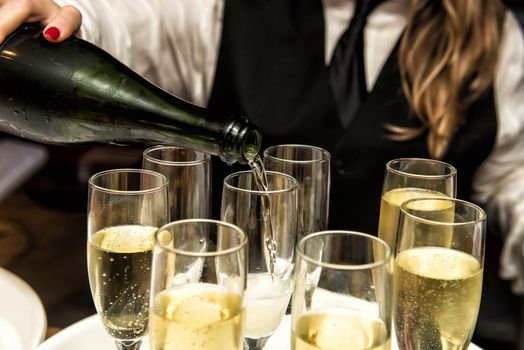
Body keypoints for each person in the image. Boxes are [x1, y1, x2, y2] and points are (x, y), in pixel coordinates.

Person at [1, 0, 524, 299]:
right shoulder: (222, 7)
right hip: (228, 311)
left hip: (379, 324)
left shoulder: (496, 40)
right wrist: (60, 19)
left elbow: (515, 180)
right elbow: (125, 24)